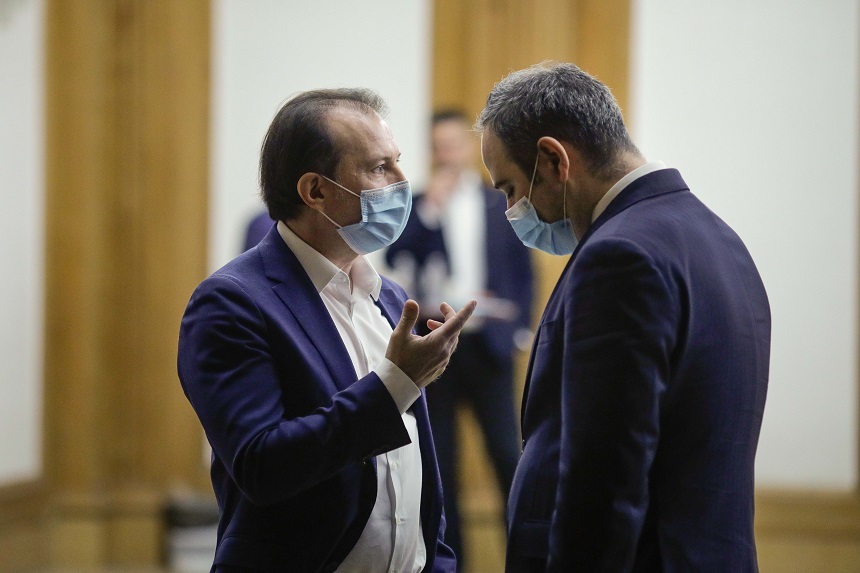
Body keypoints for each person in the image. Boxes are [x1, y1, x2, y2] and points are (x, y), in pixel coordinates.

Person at [475, 62, 771, 572]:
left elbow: (604, 477)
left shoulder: (619, 255)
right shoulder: (719, 239)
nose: (511, 210)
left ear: (553, 160)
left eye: (510, 189)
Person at [178, 88, 476, 573]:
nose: (403, 181)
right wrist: (396, 385)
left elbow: (415, 474)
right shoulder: (232, 302)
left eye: (398, 162)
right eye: (380, 167)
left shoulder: (391, 298)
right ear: (315, 191)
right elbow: (261, 465)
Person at [385, 109, 533, 570]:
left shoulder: (498, 200)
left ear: (469, 148)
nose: (447, 154)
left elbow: (522, 269)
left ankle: (526, 560)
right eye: (438, 147)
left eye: (453, 144)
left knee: (508, 456)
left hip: (490, 344)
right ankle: (453, 565)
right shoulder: (418, 202)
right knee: (441, 464)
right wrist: (431, 209)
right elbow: (396, 253)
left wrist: (519, 331)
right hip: (436, 344)